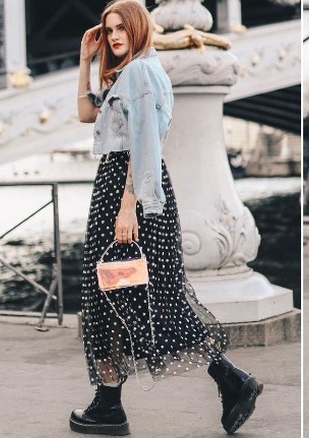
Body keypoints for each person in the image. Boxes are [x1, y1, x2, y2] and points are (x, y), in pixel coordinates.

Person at [71, 1, 262, 435]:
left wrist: (126, 207)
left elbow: (144, 143)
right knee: (143, 295)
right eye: (109, 30)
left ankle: (111, 404)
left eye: (121, 28)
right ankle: (226, 381)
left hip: (129, 189)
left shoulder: (138, 73)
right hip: (128, 187)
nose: (114, 36)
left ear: (138, 29)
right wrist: (86, 60)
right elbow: (87, 114)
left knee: (124, 296)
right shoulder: (130, 72)